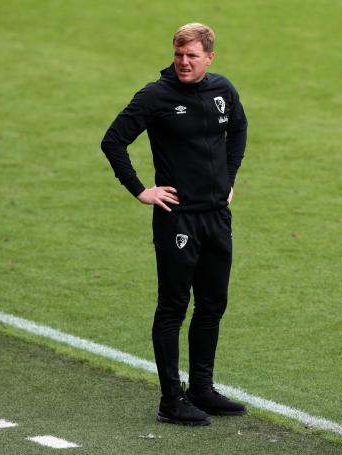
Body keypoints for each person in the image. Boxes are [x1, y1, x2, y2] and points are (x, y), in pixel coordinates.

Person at [100, 23, 248, 426]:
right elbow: (113, 141)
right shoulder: (155, 96)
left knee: (213, 304)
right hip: (177, 219)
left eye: (192, 56)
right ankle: (171, 399)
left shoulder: (223, 90)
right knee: (173, 307)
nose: (183, 62)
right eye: (179, 54)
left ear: (209, 58)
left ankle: (202, 389)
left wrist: (229, 178)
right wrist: (140, 190)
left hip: (217, 216)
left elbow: (238, 130)